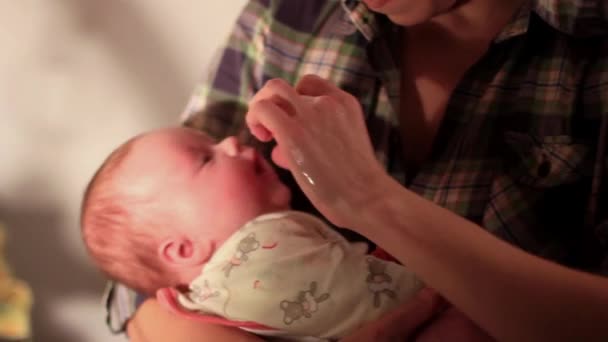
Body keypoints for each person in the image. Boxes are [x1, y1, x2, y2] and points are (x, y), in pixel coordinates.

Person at [106, 0, 608, 340]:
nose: (232, 144)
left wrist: (371, 201)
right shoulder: (292, 14)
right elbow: (143, 264)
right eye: (206, 157)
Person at [82, 126, 424, 340]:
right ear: (184, 250)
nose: (231, 141)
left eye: (212, 142)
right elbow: (398, 298)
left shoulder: (199, 302)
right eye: (205, 159)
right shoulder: (264, 248)